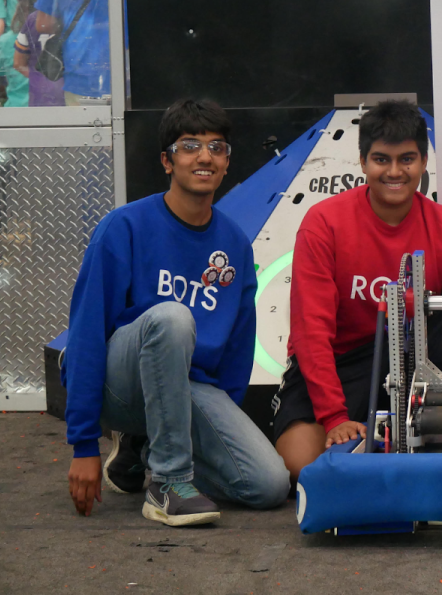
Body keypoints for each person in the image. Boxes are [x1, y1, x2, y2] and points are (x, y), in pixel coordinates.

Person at [276, 100, 442, 482]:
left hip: (413, 362)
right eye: (382, 160)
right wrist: (335, 417)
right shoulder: (324, 222)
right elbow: (310, 330)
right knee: (305, 468)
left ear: (424, 161)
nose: (395, 172)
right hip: (341, 364)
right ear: (362, 162)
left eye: (406, 159)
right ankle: (388, 443)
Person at [64, 99, 289, 526]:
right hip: (121, 384)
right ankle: (166, 482)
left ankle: (142, 449)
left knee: (268, 485)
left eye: (217, 147)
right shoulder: (123, 226)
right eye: (190, 146)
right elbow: (87, 334)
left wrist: (218, 434)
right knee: (172, 317)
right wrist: (83, 445)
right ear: (167, 161)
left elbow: (237, 355)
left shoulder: (236, 245)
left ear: (226, 163)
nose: (205, 156)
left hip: (185, 386)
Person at [13, 0, 66, 107]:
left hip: (40, 96)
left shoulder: (32, 20)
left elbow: (18, 63)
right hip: (67, 95)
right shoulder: (71, 18)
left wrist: (40, 80)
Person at [0, 0, 39, 108]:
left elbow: (0, 78)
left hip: (14, 112)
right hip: (47, 112)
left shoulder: (4, 42)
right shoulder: (55, 41)